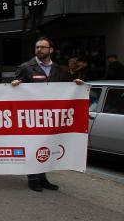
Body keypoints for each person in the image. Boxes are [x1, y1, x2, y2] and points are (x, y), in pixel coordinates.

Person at [12, 37, 83, 192]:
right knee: (33, 146)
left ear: (51, 50)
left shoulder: (59, 70)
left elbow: (68, 87)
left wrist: (77, 85)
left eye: (42, 47)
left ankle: (43, 178)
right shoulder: (26, 67)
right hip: (32, 116)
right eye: (37, 47)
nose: (39, 50)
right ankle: (32, 178)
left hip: (51, 116)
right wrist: (15, 84)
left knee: (46, 146)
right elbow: (12, 90)